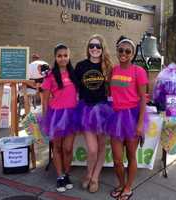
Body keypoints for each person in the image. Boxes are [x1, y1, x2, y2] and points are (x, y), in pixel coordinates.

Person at [105, 36, 148, 200]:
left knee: (131, 156)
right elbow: (110, 92)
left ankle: (128, 188)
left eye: (127, 51)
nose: (124, 53)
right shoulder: (113, 70)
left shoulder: (139, 71)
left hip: (132, 117)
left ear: (132, 54)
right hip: (116, 117)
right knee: (117, 159)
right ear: (117, 51)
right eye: (121, 50)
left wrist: (140, 124)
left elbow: (143, 98)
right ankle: (121, 184)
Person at [75, 34, 113, 193]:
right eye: (92, 46)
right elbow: (74, 89)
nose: (95, 49)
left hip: (103, 111)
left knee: (101, 147)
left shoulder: (108, 67)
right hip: (86, 110)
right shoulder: (80, 66)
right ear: (88, 48)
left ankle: (94, 178)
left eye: (98, 46)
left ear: (102, 48)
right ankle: (88, 174)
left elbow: (116, 88)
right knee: (92, 149)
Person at [40, 43, 78, 193]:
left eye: (65, 55)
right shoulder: (50, 76)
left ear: (69, 57)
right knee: (57, 147)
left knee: (68, 148)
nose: (62, 58)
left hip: (71, 115)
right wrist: (45, 118)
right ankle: (60, 176)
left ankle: (67, 173)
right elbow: (45, 99)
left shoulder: (74, 74)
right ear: (55, 58)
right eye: (59, 56)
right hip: (56, 116)